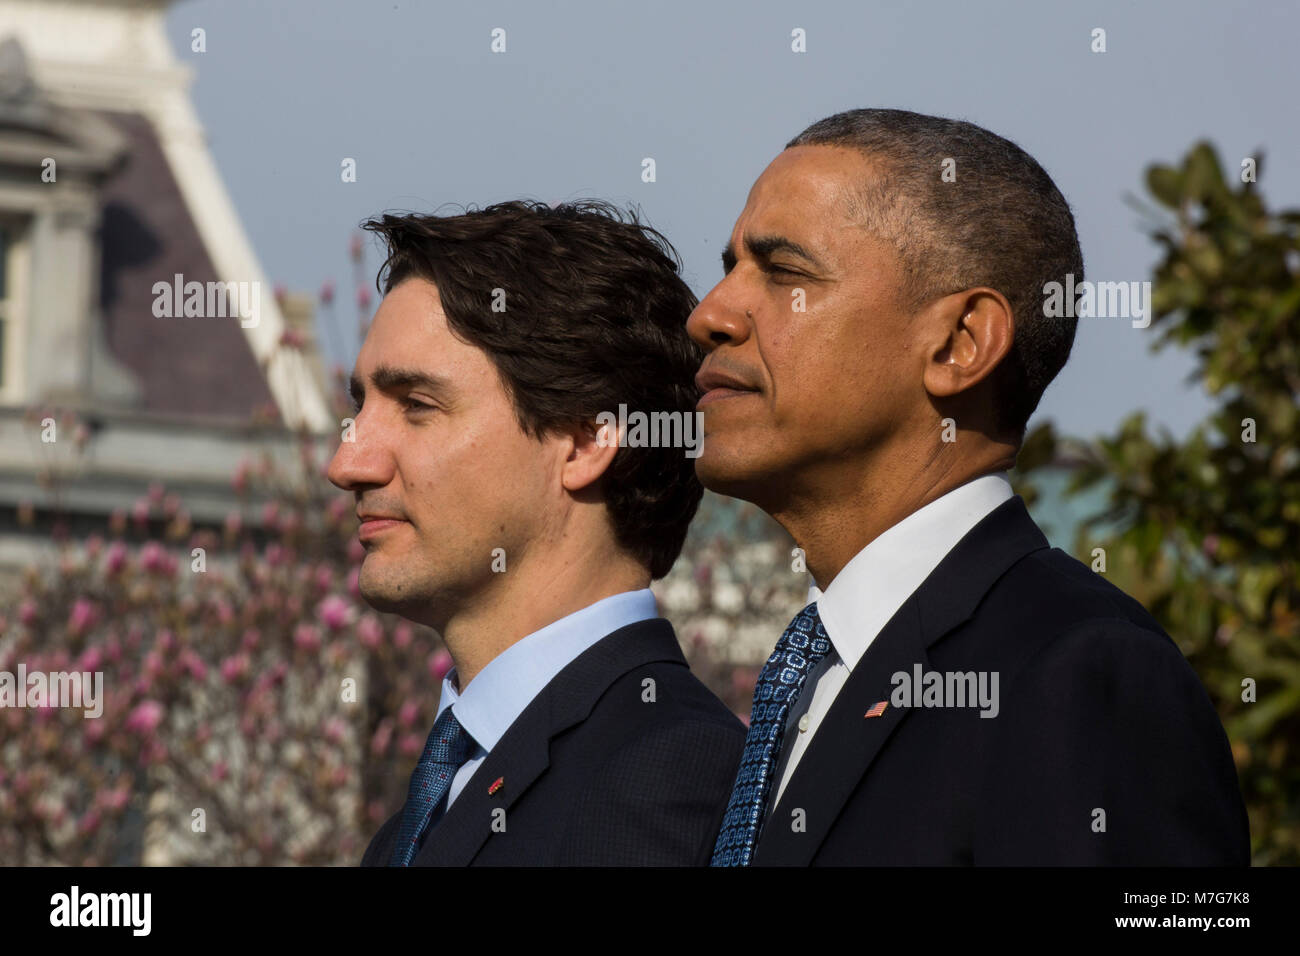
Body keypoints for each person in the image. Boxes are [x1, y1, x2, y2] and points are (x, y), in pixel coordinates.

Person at [691, 108, 1250, 866]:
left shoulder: (1081, 675)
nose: (711, 314)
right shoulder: (803, 685)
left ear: (960, 344)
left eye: (784, 271)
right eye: (729, 267)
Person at [329, 200, 744, 866]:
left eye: (416, 406)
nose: (347, 463)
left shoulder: (667, 781)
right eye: (361, 405)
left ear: (584, 441)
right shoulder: (417, 820)